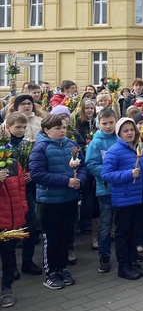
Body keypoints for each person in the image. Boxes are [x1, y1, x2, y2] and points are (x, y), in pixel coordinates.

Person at [29, 114, 86, 290]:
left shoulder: (72, 145)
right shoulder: (41, 148)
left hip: (69, 198)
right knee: (52, 237)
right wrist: (66, 181)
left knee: (66, 235)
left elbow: (82, 166)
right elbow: (37, 174)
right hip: (50, 200)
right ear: (47, 130)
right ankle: (50, 272)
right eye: (57, 128)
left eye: (63, 127)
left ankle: (62, 268)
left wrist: (80, 181)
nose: (62, 131)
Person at [101, 117, 143, 280]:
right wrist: (128, 174)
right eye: (125, 131)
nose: (130, 133)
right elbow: (106, 174)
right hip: (124, 199)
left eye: (132, 129)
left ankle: (133, 261)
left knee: (135, 232)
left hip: (140, 197)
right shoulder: (114, 151)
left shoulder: (141, 148)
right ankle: (123, 266)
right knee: (123, 233)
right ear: (119, 133)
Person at [5, 113, 42, 277]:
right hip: (7, 194)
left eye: (24, 127)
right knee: (10, 231)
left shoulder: (28, 145)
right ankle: (10, 266)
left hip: (25, 192)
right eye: (17, 127)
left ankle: (27, 261)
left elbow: (35, 166)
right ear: (8, 127)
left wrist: (30, 175)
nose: (21, 130)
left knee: (31, 228)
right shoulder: (3, 146)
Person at [85, 108, 119, 274]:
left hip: (123, 188)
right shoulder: (96, 142)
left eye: (111, 122)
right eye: (104, 123)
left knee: (122, 223)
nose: (108, 126)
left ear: (116, 121)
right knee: (105, 224)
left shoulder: (121, 137)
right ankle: (104, 255)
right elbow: (91, 164)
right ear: (99, 124)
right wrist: (110, 174)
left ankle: (123, 252)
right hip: (106, 189)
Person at [0, 129, 28, 308]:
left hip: (10, 220)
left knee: (9, 255)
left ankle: (6, 288)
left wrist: (23, 207)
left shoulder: (12, 163)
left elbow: (20, 187)